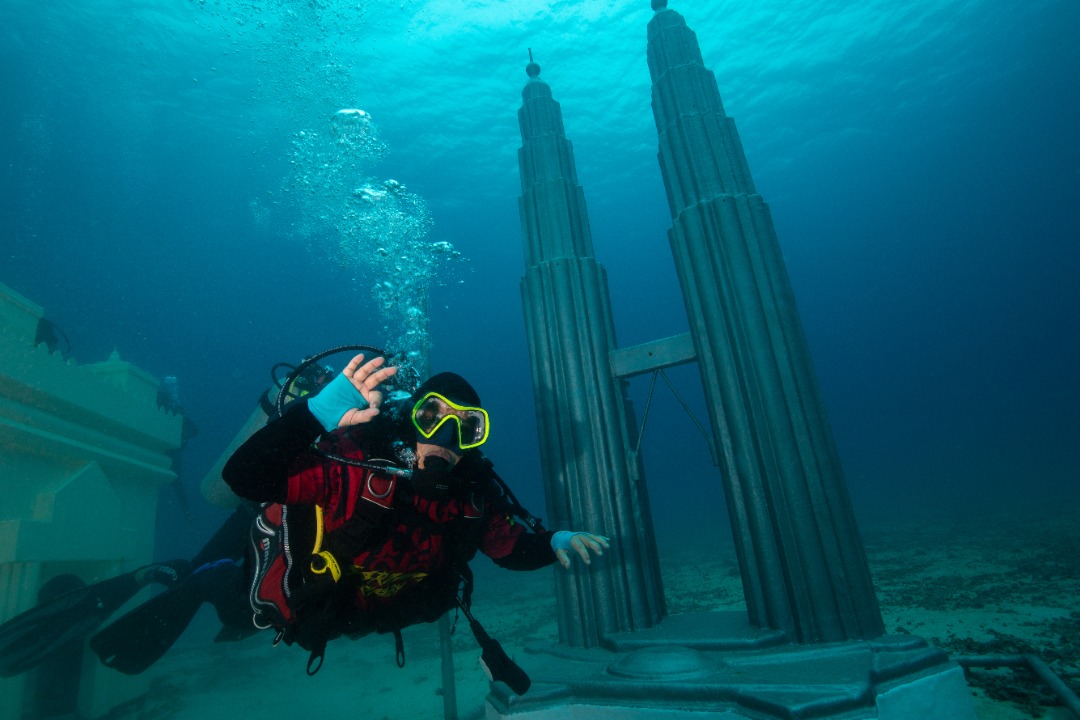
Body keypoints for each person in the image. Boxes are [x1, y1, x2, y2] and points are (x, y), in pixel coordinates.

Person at [0, 353, 608, 691]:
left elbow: (509, 549)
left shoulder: (471, 501)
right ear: (411, 419)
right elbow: (247, 477)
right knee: (237, 612)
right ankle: (184, 573)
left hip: (350, 615)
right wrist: (316, 414)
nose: (444, 439)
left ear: (476, 441)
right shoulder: (353, 472)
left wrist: (552, 540)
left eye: (466, 428)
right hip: (306, 609)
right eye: (432, 416)